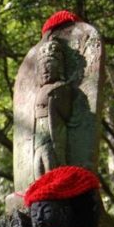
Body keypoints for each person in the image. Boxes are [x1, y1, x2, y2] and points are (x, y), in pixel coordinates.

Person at [32, 40, 73, 178]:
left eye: (49, 64)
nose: (45, 70)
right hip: (38, 135)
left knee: (51, 165)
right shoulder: (41, 90)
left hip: (52, 134)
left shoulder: (61, 87)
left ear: (59, 67)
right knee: (37, 168)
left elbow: (65, 112)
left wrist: (54, 100)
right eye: (42, 66)